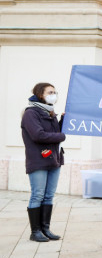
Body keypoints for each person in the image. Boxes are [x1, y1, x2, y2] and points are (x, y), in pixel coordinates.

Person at [21, 82, 65, 242]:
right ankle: (35, 232)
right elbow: (38, 135)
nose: (54, 95)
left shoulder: (50, 112)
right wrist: (61, 136)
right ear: (40, 94)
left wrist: (63, 121)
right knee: (38, 195)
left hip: (54, 159)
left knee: (48, 196)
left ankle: (45, 229)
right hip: (38, 159)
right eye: (50, 92)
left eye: (55, 92)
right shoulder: (31, 113)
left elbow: (54, 133)